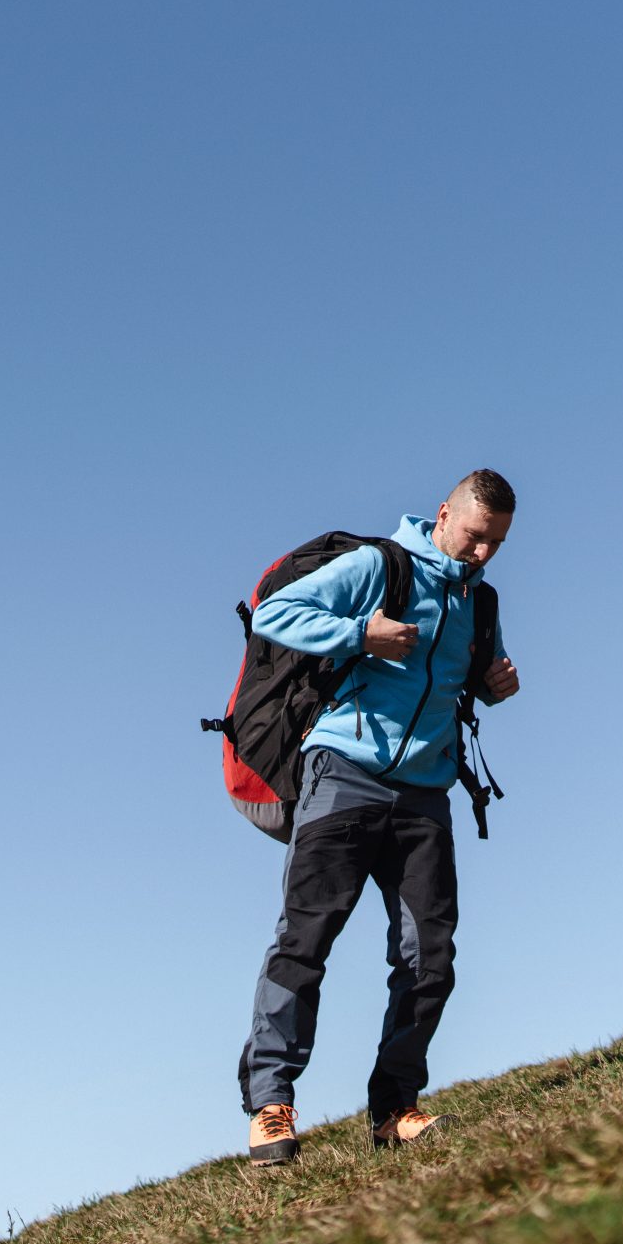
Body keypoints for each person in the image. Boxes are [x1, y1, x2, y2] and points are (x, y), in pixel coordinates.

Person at [238, 470, 521, 1165]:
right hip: (343, 775)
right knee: (305, 940)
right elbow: (276, 613)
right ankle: (271, 1103)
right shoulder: (378, 566)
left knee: (430, 958)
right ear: (444, 513)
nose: (482, 554)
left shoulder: (479, 603)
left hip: (425, 793)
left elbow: (469, 678)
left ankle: (394, 1107)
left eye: (497, 544)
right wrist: (360, 634)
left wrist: (496, 684)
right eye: (475, 536)